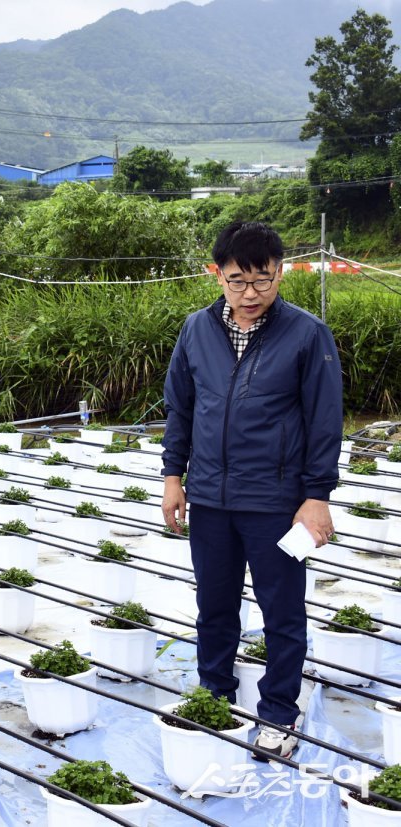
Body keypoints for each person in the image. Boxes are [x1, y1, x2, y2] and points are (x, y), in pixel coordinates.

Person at [161, 220, 342, 761]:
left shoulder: (307, 334)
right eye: (237, 281)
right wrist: (174, 476)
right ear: (218, 275)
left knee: (282, 611)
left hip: (276, 503)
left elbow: (324, 420)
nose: (250, 295)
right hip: (211, 499)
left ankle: (278, 714)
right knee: (214, 605)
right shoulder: (196, 330)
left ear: (280, 273)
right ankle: (215, 695)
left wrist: (317, 495)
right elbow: (181, 409)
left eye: (262, 281)